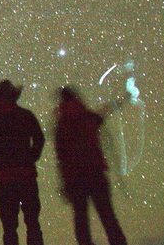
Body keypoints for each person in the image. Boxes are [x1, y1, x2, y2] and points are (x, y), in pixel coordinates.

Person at [54, 86, 128, 245]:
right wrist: (125, 97)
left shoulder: (61, 125)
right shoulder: (88, 116)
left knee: (81, 221)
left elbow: (61, 157)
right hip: (95, 173)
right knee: (108, 217)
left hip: (74, 178)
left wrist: (64, 181)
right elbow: (105, 112)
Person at [0, 80, 45, 245]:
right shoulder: (26, 115)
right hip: (27, 175)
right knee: (33, 223)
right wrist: (31, 157)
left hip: (6, 177)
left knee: (9, 227)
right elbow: (39, 138)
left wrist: (2, 161)